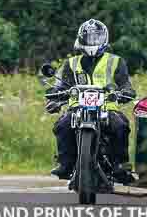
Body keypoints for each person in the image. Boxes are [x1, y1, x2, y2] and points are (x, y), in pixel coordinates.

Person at [45, 19, 136, 183]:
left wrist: (125, 92)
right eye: (89, 37)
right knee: (62, 125)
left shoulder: (116, 61)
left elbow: (125, 84)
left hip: (107, 107)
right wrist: (55, 96)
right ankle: (65, 164)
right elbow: (60, 85)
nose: (92, 41)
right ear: (81, 39)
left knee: (121, 125)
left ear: (104, 38)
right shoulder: (71, 63)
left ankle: (120, 165)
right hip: (77, 108)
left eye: (96, 37)